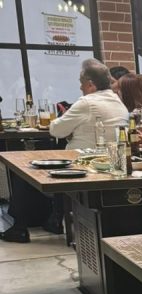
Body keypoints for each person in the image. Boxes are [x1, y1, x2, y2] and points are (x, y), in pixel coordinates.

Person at [1, 59, 129, 243]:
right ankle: (54, 219)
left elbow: (56, 130)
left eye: (81, 83)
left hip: (85, 161)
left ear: (91, 84)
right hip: (112, 160)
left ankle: (20, 228)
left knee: (24, 170)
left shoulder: (87, 102)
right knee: (49, 161)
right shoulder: (117, 100)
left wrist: (68, 129)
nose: (80, 87)